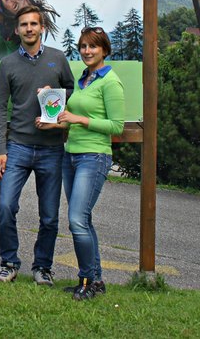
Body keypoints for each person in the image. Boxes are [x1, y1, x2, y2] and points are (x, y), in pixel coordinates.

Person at [36, 26, 124, 300]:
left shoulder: (110, 82)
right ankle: (95, 280)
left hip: (94, 157)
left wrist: (79, 120)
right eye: (83, 46)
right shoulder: (84, 79)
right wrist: (51, 119)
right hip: (71, 155)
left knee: (76, 220)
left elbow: (117, 126)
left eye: (93, 47)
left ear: (104, 50)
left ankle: (86, 281)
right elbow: (68, 117)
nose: (87, 51)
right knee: (83, 220)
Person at [0, 5, 75, 285]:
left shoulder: (58, 59)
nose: (29, 28)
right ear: (17, 30)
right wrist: (1, 151)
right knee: (5, 206)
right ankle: (9, 262)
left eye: (33, 24)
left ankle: (43, 267)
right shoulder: (8, 64)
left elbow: (72, 92)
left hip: (52, 149)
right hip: (18, 147)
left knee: (50, 216)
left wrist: (54, 98)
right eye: (24, 24)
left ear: (42, 28)